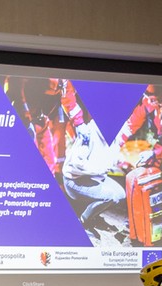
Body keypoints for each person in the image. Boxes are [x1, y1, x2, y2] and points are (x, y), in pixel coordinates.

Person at [59, 83, 127, 242]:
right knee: (110, 196)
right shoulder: (89, 134)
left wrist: (116, 164)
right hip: (74, 181)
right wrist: (98, 170)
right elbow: (75, 165)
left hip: (93, 178)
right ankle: (83, 222)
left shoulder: (114, 136)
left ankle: (94, 215)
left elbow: (109, 159)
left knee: (120, 194)